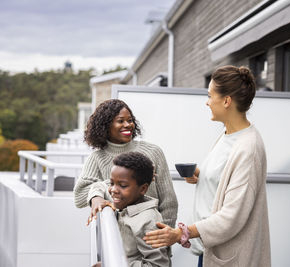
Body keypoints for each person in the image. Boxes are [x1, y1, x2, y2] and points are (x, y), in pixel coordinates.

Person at [143, 65, 271, 267]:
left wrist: (181, 233)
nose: (207, 102)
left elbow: (232, 217)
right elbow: (227, 182)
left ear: (227, 101)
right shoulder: (228, 134)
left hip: (230, 255)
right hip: (210, 249)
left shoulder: (249, 148)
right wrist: (202, 176)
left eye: (211, 96)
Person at [74, 99, 178, 228]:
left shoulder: (153, 152)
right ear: (105, 126)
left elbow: (169, 201)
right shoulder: (97, 158)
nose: (128, 125)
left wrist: (164, 234)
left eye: (130, 120)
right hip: (119, 236)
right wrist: (108, 188)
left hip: (152, 232)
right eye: (120, 121)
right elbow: (79, 197)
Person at [91, 152, 171, 267]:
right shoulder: (126, 200)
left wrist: (114, 265)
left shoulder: (148, 221)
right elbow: (99, 186)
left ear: (143, 189)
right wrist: (97, 199)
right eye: (112, 183)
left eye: (122, 185)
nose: (113, 190)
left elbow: (157, 265)